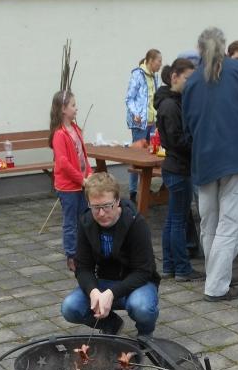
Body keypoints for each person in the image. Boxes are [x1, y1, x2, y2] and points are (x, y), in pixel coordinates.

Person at [182, 26, 238, 302]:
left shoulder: (192, 81)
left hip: (203, 161)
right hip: (235, 157)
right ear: (224, 47)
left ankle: (218, 276)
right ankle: (217, 286)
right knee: (229, 225)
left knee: (210, 224)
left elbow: (188, 127)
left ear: (200, 50)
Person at [61, 172, 159, 337]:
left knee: (141, 307)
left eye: (107, 206)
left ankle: (145, 335)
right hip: (104, 281)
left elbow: (144, 271)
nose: (101, 213)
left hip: (138, 282)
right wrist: (93, 291)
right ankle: (111, 324)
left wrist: (112, 293)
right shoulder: (86, 222)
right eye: (95, 207)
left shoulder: (136, 223)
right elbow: (83, 268)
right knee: (70, 307)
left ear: (117, 201)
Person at [154, 58, 204, 282]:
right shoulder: (170, 106)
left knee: (173, 220)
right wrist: (198, 143)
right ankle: (182, 268)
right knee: (178, 221)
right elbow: (177, 140)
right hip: (178, 168)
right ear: (174, 77)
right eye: (187, 78)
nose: (190, 83)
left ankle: (169, 266)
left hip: (177, 166)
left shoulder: (174, 102)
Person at [49, 89, 92, 273]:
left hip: (82, 183)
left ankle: (83, 252)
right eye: (73, 105)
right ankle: (72, 255)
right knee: (70, 223)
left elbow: (83, 156)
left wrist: (89, 173)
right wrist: (81, 180)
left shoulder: (75, 129)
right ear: (63, 109)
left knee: (84, 219)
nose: (76, 108)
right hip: (68, 187)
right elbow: (63, 163)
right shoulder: (59, 134)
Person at [125, 48, 162, 202]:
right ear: (151, 61)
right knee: (137, 157)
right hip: (140, 123)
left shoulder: (155, 77)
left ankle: (145, 187)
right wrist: (136, 113)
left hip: (152, 123)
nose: (160, 64)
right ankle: (133, 191)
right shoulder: (137, 75)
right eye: (159, 61)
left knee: (150, 154)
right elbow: (129, 98)